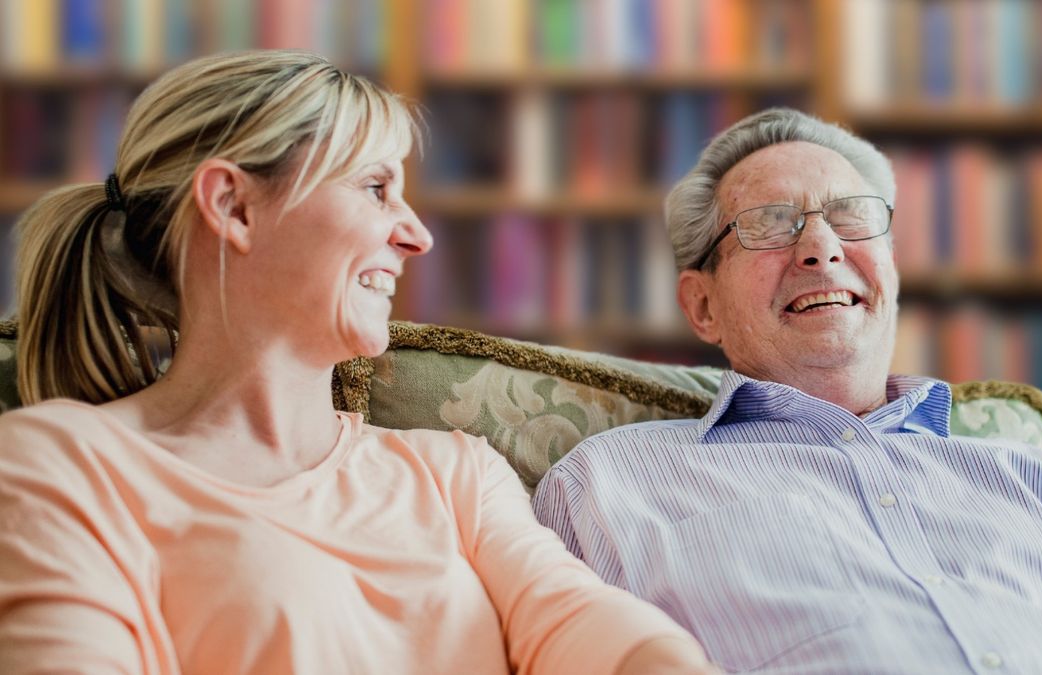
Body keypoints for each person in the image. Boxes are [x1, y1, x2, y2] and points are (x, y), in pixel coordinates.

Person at [0, 50, 715, 675]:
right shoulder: (58, 466)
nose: (418, 235)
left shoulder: (453, 471)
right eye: (376, 188)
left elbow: (577, 619)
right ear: (234, 206)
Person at [533, 107, 1042, 673]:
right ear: (702, 304)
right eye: (769, 221)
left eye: (852, 216)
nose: (821, 248)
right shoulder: (605, 487)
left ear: (892, 268)